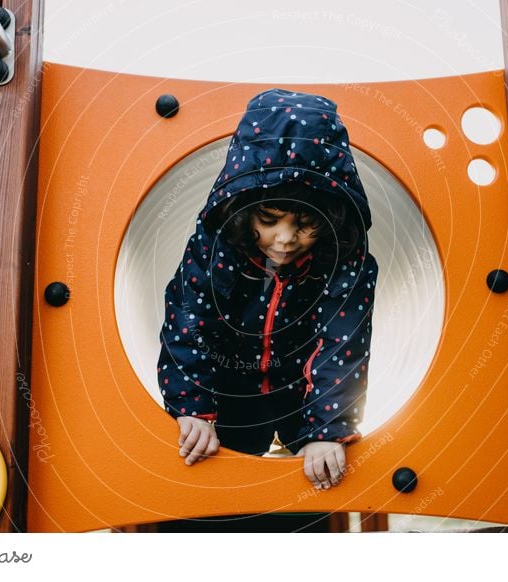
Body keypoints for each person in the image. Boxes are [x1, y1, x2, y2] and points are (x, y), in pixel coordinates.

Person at [157, 87, 377, 494]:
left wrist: (328, 429)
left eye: (305, 224)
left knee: (322, 473)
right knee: (213, 474)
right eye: (270, 219)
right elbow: (189, 319)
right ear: (245, 207)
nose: (284, 240)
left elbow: (343, 341)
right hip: (228, 386)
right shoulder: (218, 243)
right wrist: (191, 407)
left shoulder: (343, 259)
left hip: (303, 388)